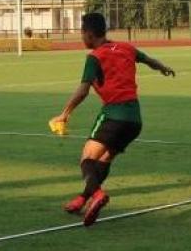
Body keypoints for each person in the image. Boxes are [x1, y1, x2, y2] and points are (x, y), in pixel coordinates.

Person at [50, 13, 175, 226]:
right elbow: (149, 61)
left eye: (82, 33)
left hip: (113, 116)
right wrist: (163, 67)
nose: (81, 37)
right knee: (104, 158)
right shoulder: (126, 48)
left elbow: (83, 90)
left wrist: (65, 113)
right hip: (134, 121)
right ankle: (83, 198)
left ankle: (97, 194)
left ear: (89, 34)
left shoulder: (95, 57)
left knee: (87, 159)